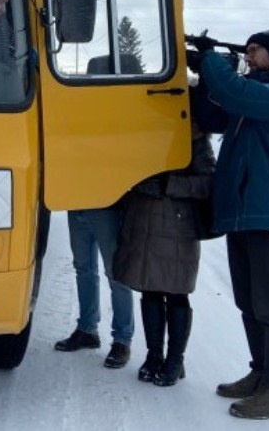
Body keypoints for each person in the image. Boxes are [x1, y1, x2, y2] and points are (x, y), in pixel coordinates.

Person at [189, 24, 269, 420]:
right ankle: (261, 373)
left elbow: (238, 95)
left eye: (255, 51)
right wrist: (200, 75)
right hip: (243, 208)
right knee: (249, 302)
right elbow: (215, 114)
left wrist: (213, 62)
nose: (248, 57)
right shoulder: (260, 87)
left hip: (266, 209)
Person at [113, 123, 216, 386]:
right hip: (143, 222)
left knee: (176, 292)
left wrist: (171, 184)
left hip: (177, 227)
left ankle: (175, 359)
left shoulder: (194, 136)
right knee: (150, 289)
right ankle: (154, 356)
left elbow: (208, 182)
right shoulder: (140, 131)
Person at [54, 203, 135, 369]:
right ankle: (87, 330)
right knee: (83, 269)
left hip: (106, 206)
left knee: (117, 274)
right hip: (76, 204)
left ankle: (122, 340)